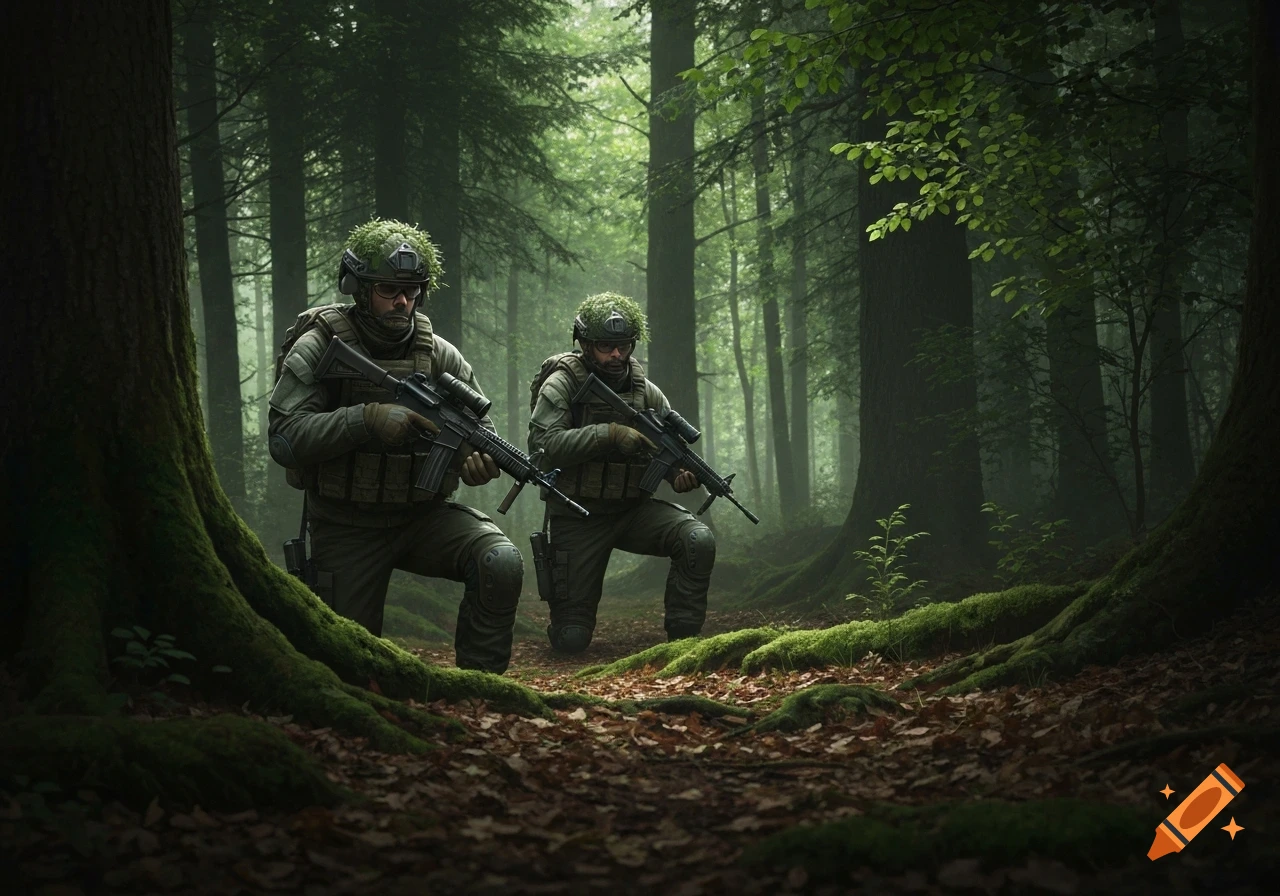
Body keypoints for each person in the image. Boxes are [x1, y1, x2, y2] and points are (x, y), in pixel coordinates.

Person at [267, 218, 522, 673]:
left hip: (422, 518)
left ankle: (480, 688)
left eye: (412, 290)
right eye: (389, 289)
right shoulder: (320, 344)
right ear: (360, 289)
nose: (402, 301)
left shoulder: (438, 353)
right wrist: (366, 419)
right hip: (346, 525)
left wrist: (472, 462)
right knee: (349, 665)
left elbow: (479, 427)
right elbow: (285, 439)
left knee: (499, 560)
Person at [528, 292, 715, 653]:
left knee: (697, 539)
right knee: (571, 639)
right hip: (578, 514)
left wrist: (676, 475)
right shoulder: (562, 383)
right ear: (585, 344)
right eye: (605, 346)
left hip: (633, 511)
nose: (616, 354)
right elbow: (544, 446)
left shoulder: (646, 393)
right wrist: (609, 434)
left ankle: (683, 642)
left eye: (624, 346)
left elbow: (664, 450)